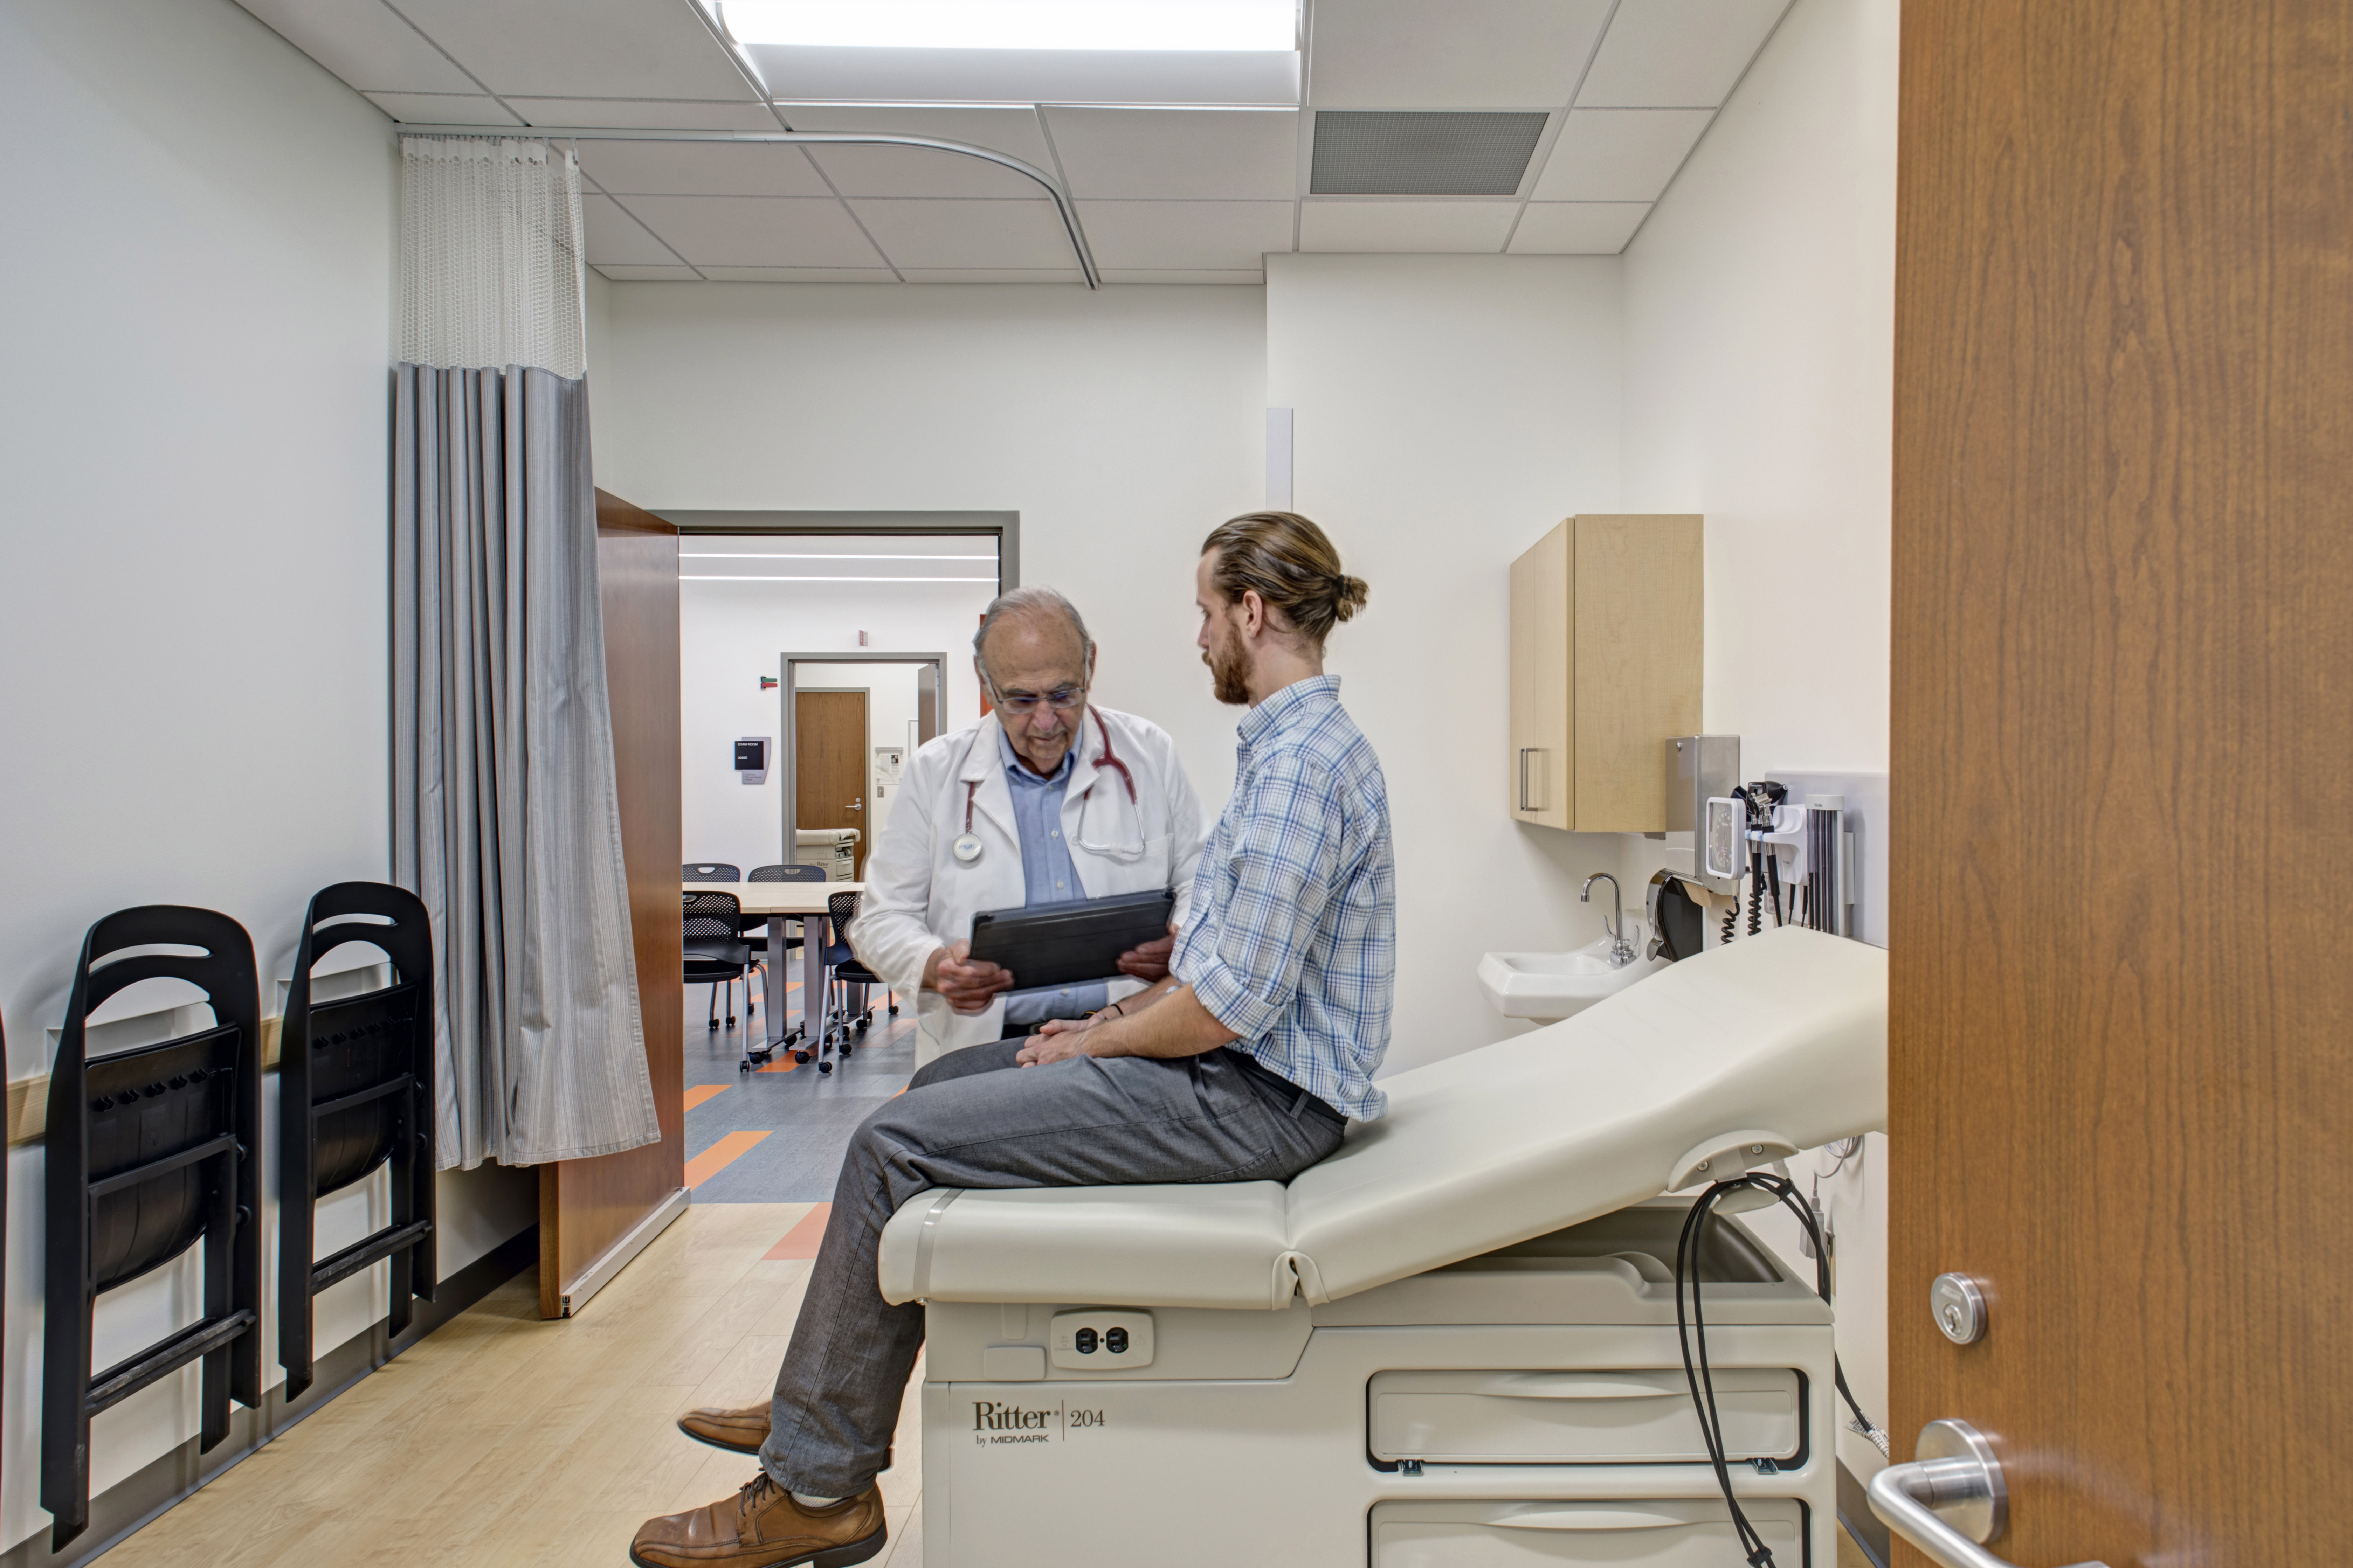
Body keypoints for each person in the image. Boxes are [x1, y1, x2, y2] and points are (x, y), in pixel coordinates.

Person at [629, 514, 1394, 1568]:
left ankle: (819, 1485)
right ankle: (822, 1401)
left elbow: (1223, 1006)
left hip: (1250, 1095)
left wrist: (1094, 1043)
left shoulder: (1295, 767)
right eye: (1018, 697)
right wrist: (1101, 1021)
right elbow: (1223, 967)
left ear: (1251, 611)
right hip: (1224, 1070)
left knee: (889, 1146)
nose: (1200, 634)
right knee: (927, 1094)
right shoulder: (1287, 752)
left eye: (1207, 612)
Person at [862, 585, 1207, 1066]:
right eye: (1021, 700)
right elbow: (881, 920)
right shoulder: (935, 771)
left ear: (1090, 665)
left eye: (1063, 694)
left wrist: (1182, 938)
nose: (1046, 722)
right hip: (989, 1045)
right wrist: (935, 966)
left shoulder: (1149, 752)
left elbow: (1201, 882)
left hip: (1124, 1038)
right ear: (986, 684)